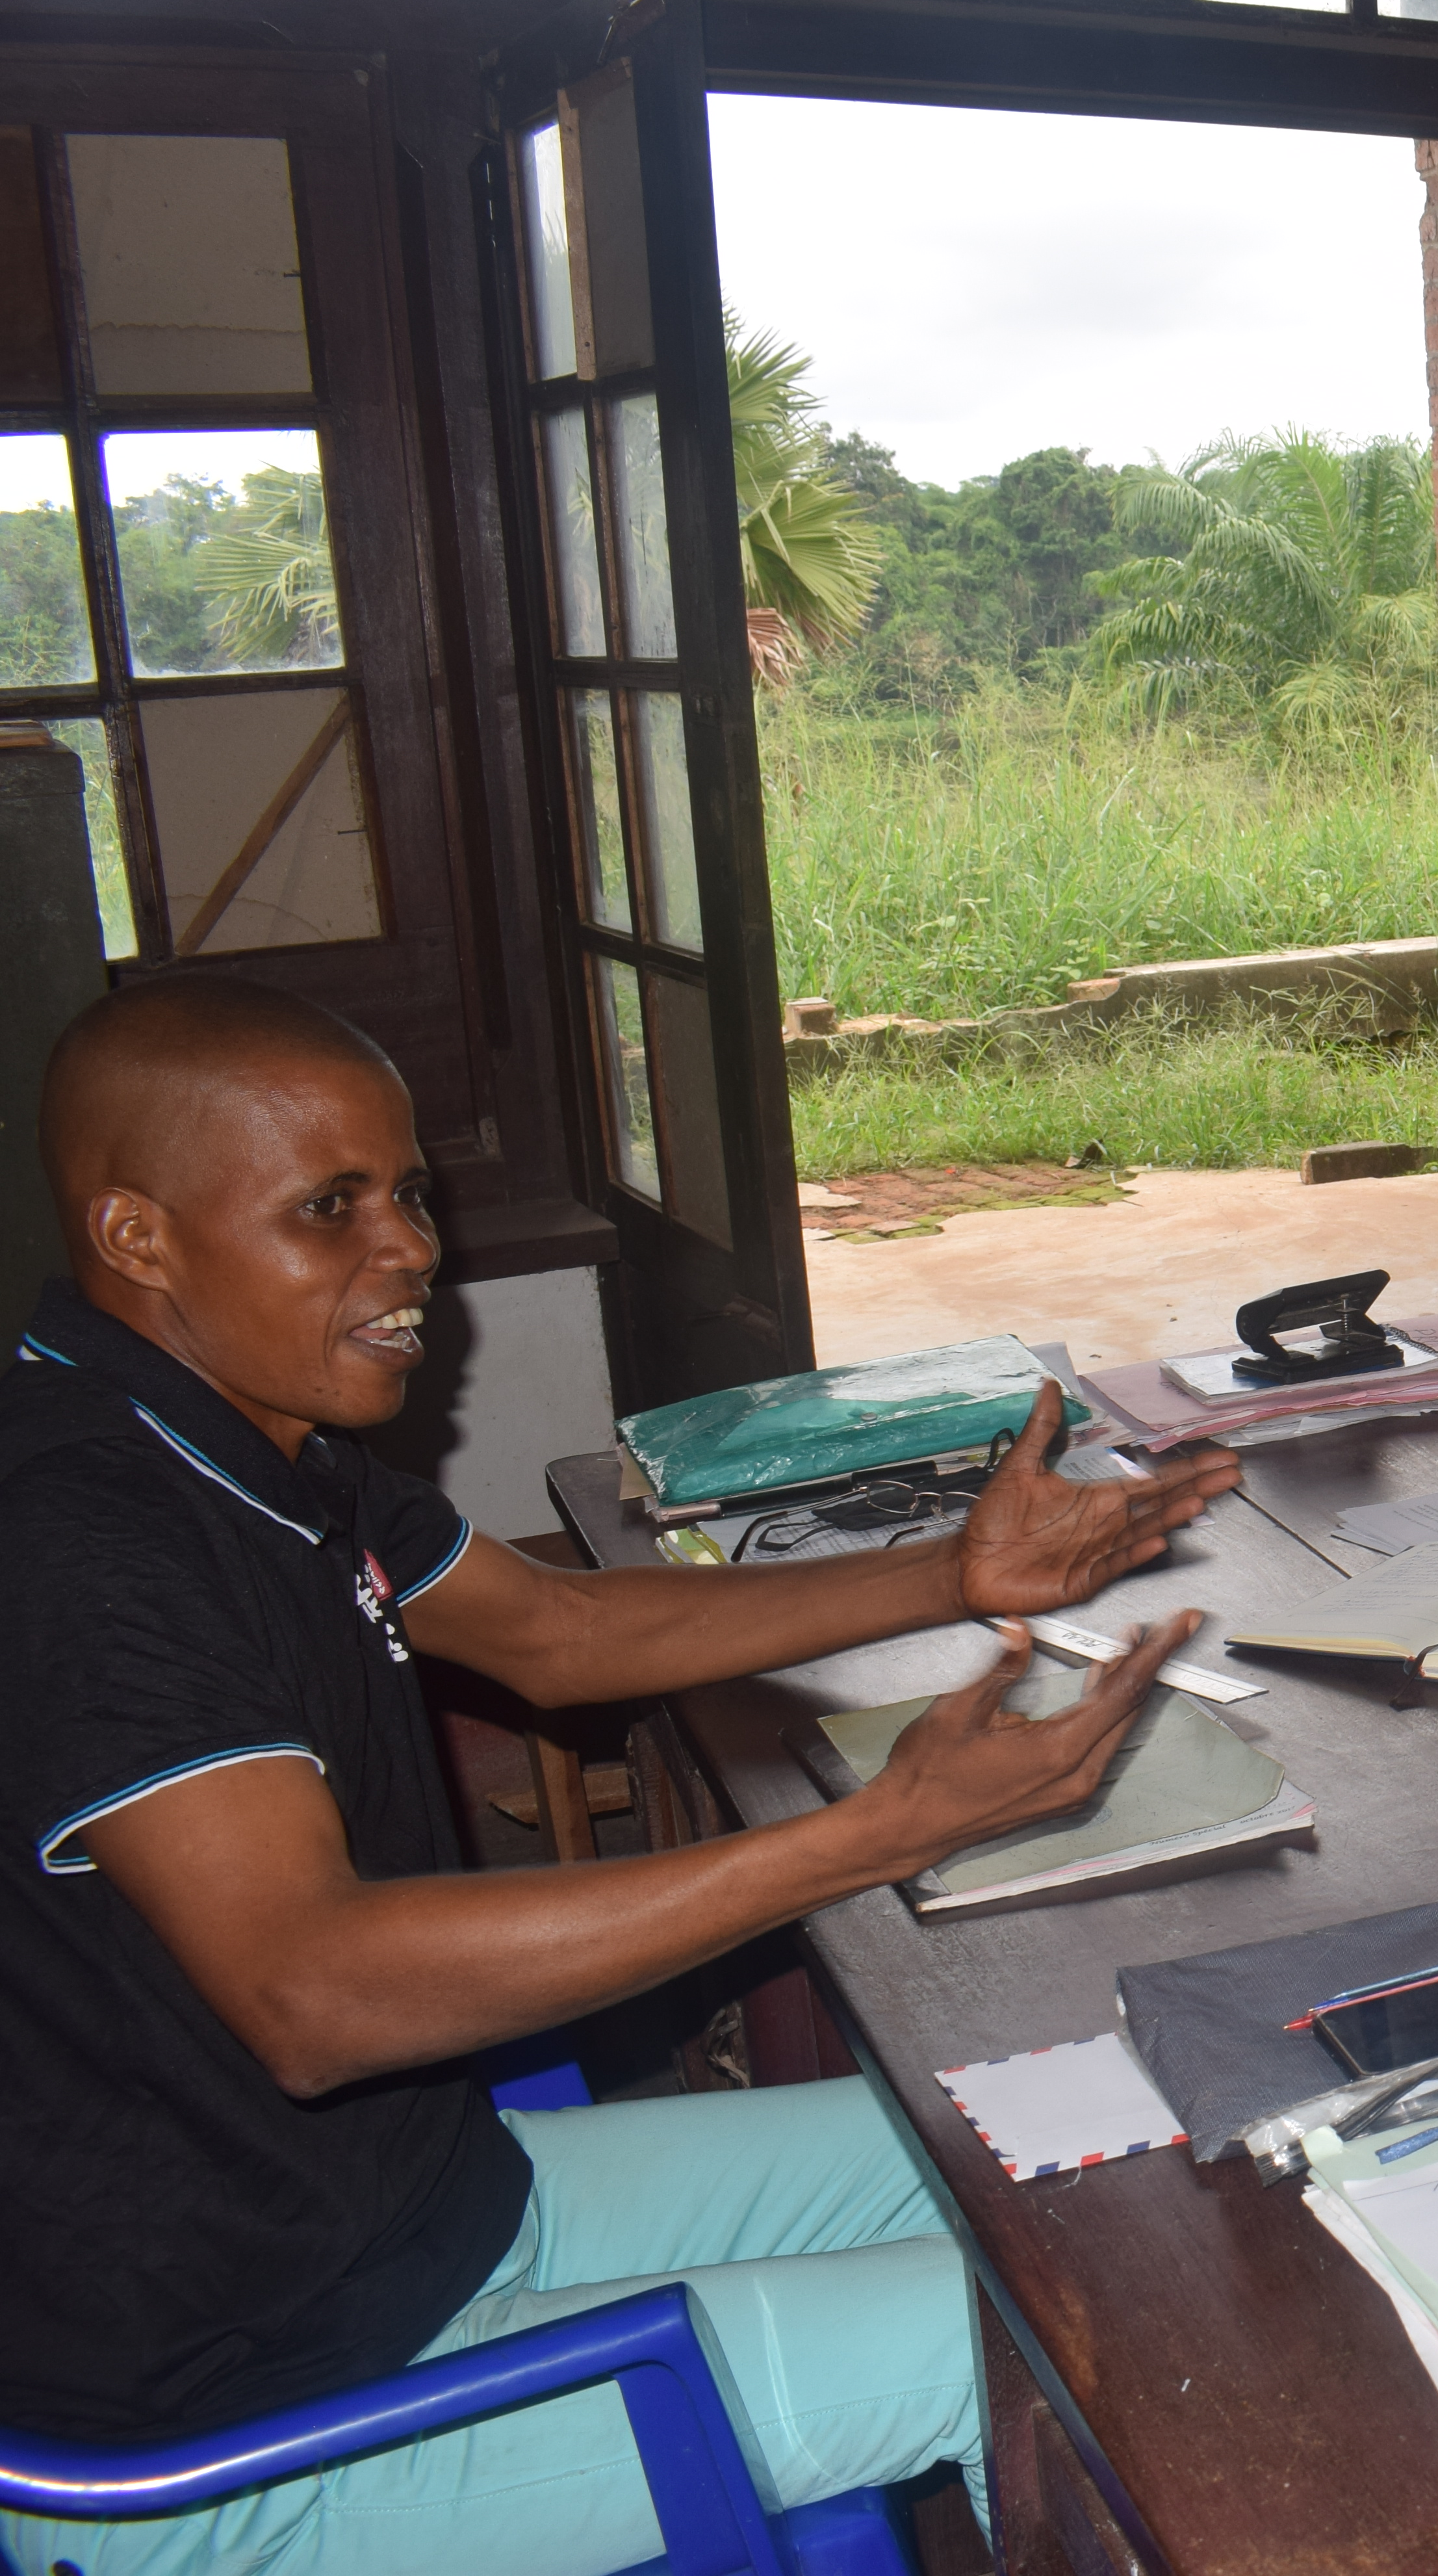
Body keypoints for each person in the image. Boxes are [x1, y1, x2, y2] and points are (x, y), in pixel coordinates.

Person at [2, 975, 1244, 2575]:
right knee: (1086, 2336)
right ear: (138, 1235)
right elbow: (314, 1996)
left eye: (409, 1194)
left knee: (1093, 2163)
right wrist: (873, 1835)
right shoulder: (85, 1535)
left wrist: (960, 1572)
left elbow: (562, 1632)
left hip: (420, 2225)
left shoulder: (255, 1450)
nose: (410, 1250)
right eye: (332, 1208)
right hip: (228, 2435)